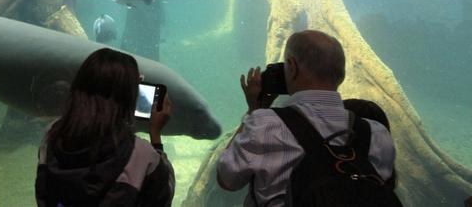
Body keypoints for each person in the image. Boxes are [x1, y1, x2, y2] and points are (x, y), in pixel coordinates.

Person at [217, 30, 397, 206]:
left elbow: (227, 179)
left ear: (292, 67)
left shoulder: (264, 125)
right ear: (341, 75)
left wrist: (254, 110)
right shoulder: (376, 133)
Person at [35, 48, 174, 207]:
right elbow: (163, 198)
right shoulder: (142, 155)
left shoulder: (52, 134)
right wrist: (155, 136)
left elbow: (43, 192)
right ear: (129, 96)